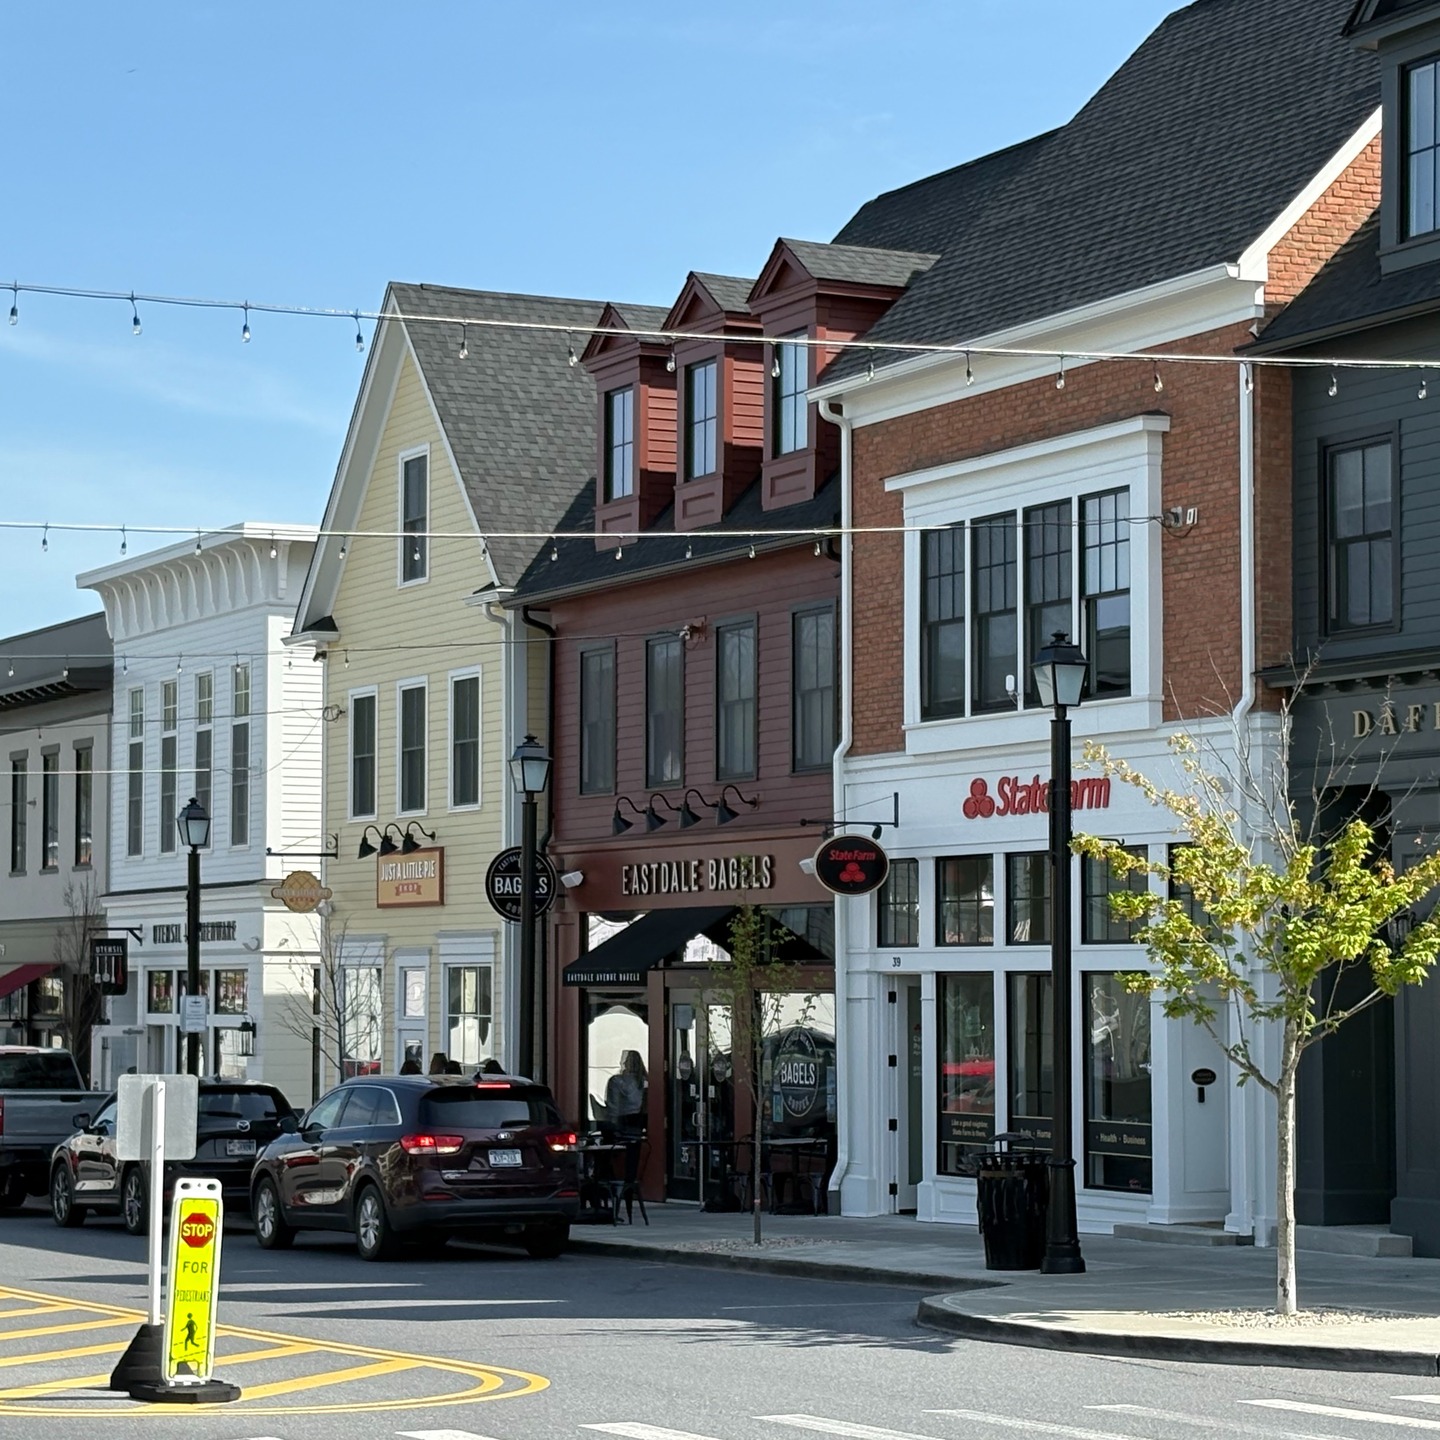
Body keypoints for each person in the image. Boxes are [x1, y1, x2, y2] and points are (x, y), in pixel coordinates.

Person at [605, 1050, 647, 1132]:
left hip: (622, 1125)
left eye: (625, 1060)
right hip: (641, 1127)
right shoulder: (647, 1081)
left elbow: (613, 1109)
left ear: (626, 1063)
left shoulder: (617, 1081)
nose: (622, 1063)